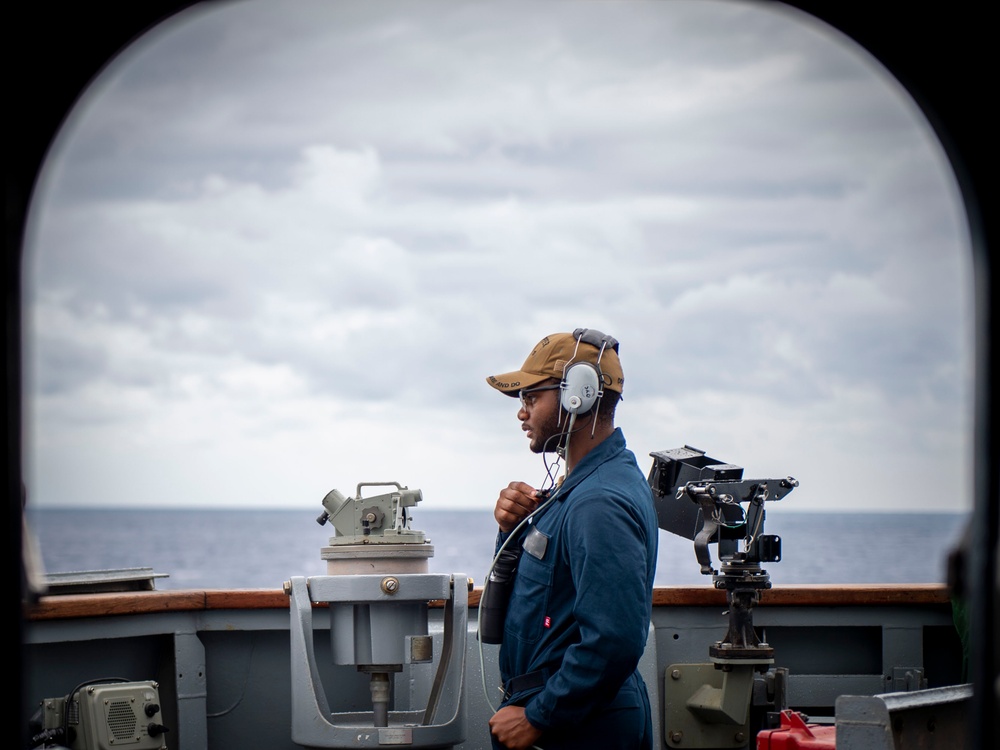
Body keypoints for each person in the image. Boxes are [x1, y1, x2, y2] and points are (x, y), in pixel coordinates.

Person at [484, 329, 658, 750]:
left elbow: (613, 639)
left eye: (530, 398)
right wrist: (511, 531)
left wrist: (538, 717)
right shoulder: (579, 488)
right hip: (569, 714)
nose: (521, 413)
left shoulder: (598, 502)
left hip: (580, 726)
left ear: (576, 395)